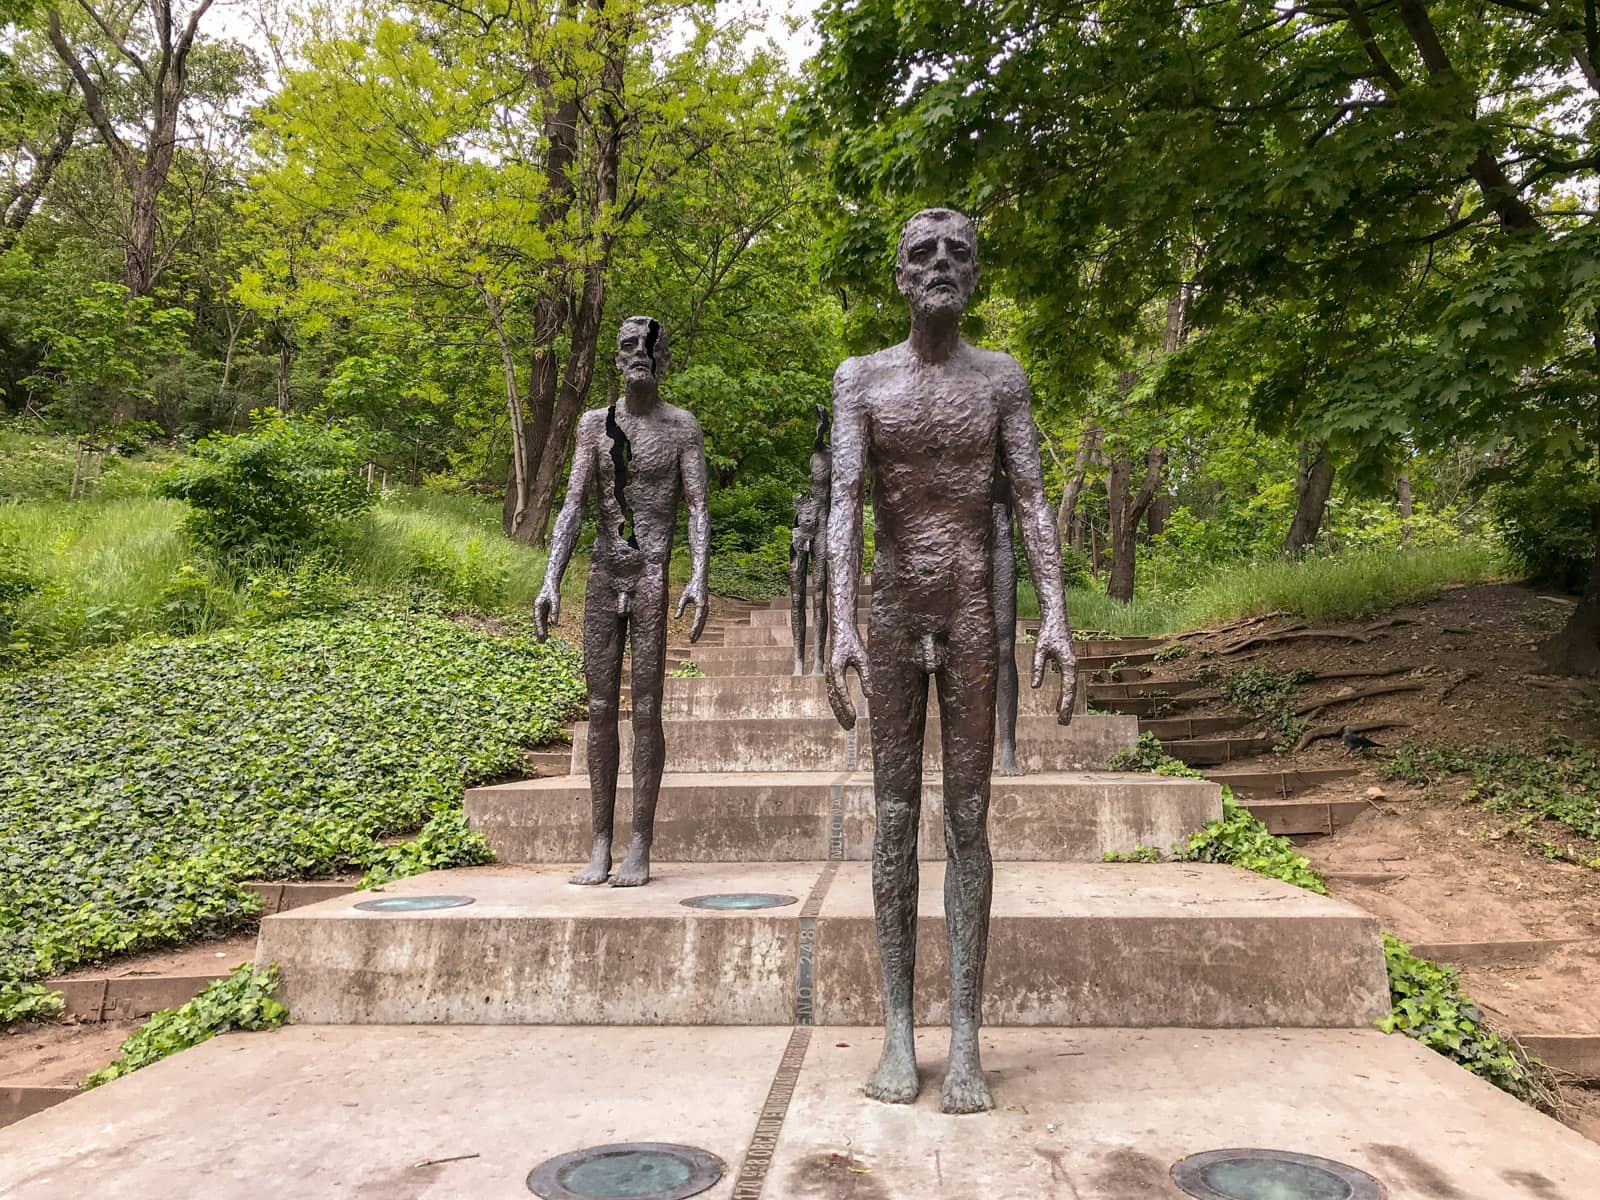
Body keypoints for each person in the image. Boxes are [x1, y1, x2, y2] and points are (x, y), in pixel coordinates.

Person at [825, 208, 1077, 1113]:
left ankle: (965, 1041)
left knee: (968, 820)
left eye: (956, 254)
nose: (939, 265)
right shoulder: (861, 380)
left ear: (974, 277)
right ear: (899, 274)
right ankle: (899, 1032)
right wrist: (842, 623)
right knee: (894, 821)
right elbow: (845, 502)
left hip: (972, 611)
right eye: (923, 254)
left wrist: (1054, 613)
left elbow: (1033, 502)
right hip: (894, 612)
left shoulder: (1002, 380)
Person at [534, 316, 710, 887]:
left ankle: (641, 843)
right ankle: (600, 843)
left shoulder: (682, 428)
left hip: (654, 574)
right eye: (629, 346)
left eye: (649, 345)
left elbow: (698, 509)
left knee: (648, 707)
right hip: (605, 573)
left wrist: (700, 575)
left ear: (663, 359)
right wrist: (551, 577)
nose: (639, 353)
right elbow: (573, 506)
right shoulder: (593, 426)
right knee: (602, 707)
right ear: (617, 358)